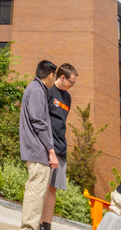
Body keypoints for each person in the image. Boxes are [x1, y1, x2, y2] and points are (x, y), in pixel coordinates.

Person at [19, 60, 59, 230]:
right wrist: (51, 150)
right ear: (50, 75)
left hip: (36, 149)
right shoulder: (37, 91)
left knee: (35, 191)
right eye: (54, 76)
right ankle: (29, 227)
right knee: (35, 192)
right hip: (38, 150)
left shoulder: (35, 89)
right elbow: (39, 122)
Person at [42, 63, 78, 230]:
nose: (72, 85)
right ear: (62, 77)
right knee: (41, 185)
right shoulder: (49, 92)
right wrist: (48, 147)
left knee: (53, 189)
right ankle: (37, 221)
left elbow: (61, 122)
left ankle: (46, 224)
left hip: (60, 148)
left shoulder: (68, 98)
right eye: (72, 82)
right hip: (46, 147)